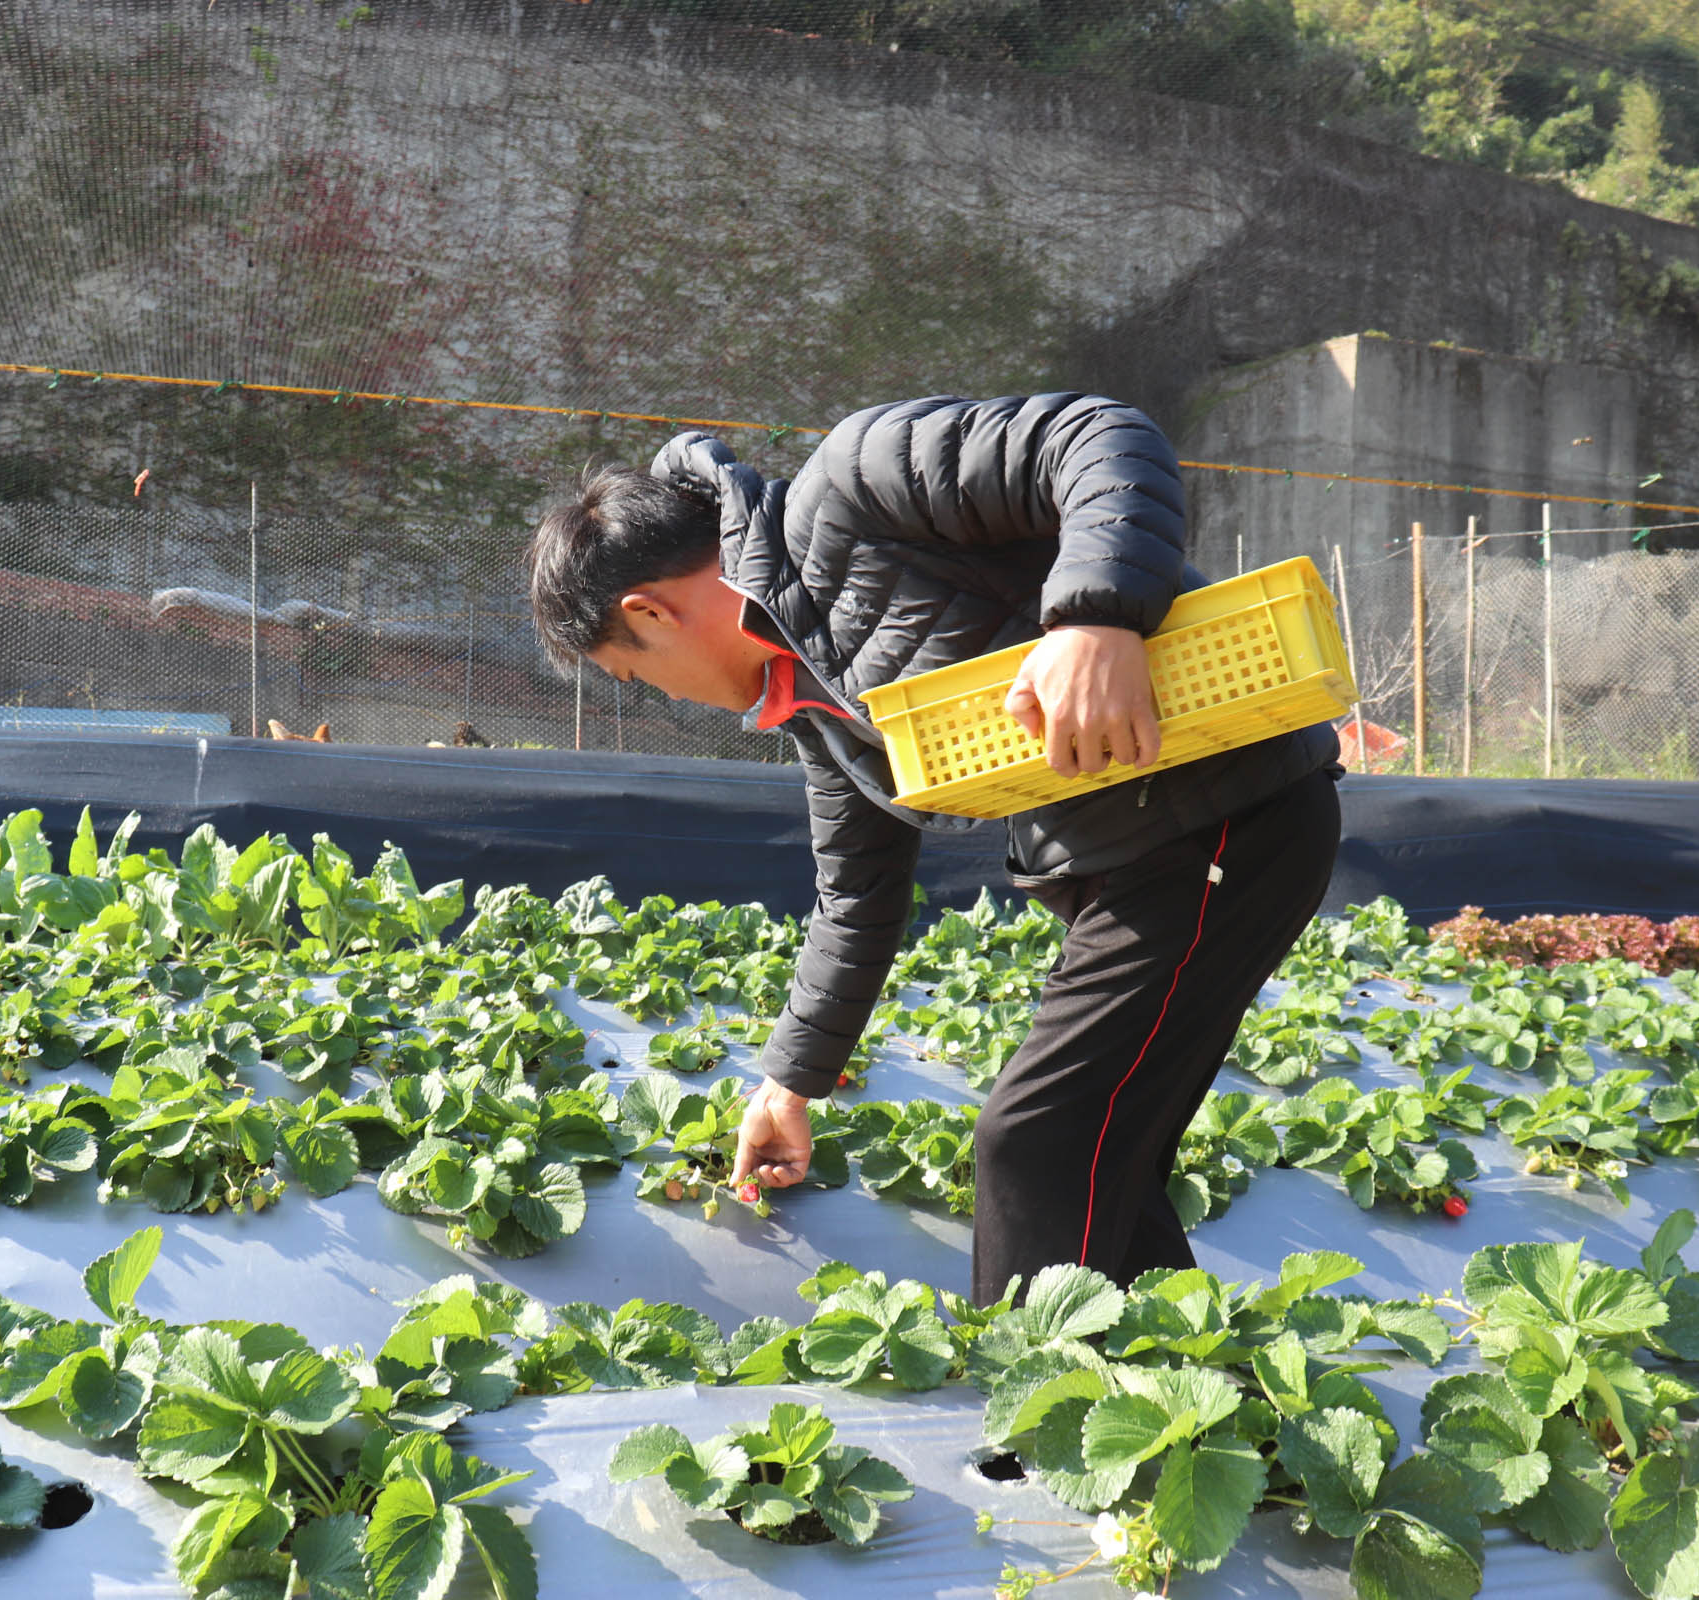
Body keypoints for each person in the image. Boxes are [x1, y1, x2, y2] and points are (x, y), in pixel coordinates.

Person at [526, 393, 1341, 1303]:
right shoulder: (810, 691)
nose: (664, 696)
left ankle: (1040, 1418)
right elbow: (857, 898)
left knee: (1037, 1138)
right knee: (1099, 1160)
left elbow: (1099, 434)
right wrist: (789, 1085)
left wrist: (1095, 620)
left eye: (635, 674)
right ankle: (1187, 1408)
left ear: (652, 612)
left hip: (1219, 812)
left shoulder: (859, 480)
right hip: (1132, 859)